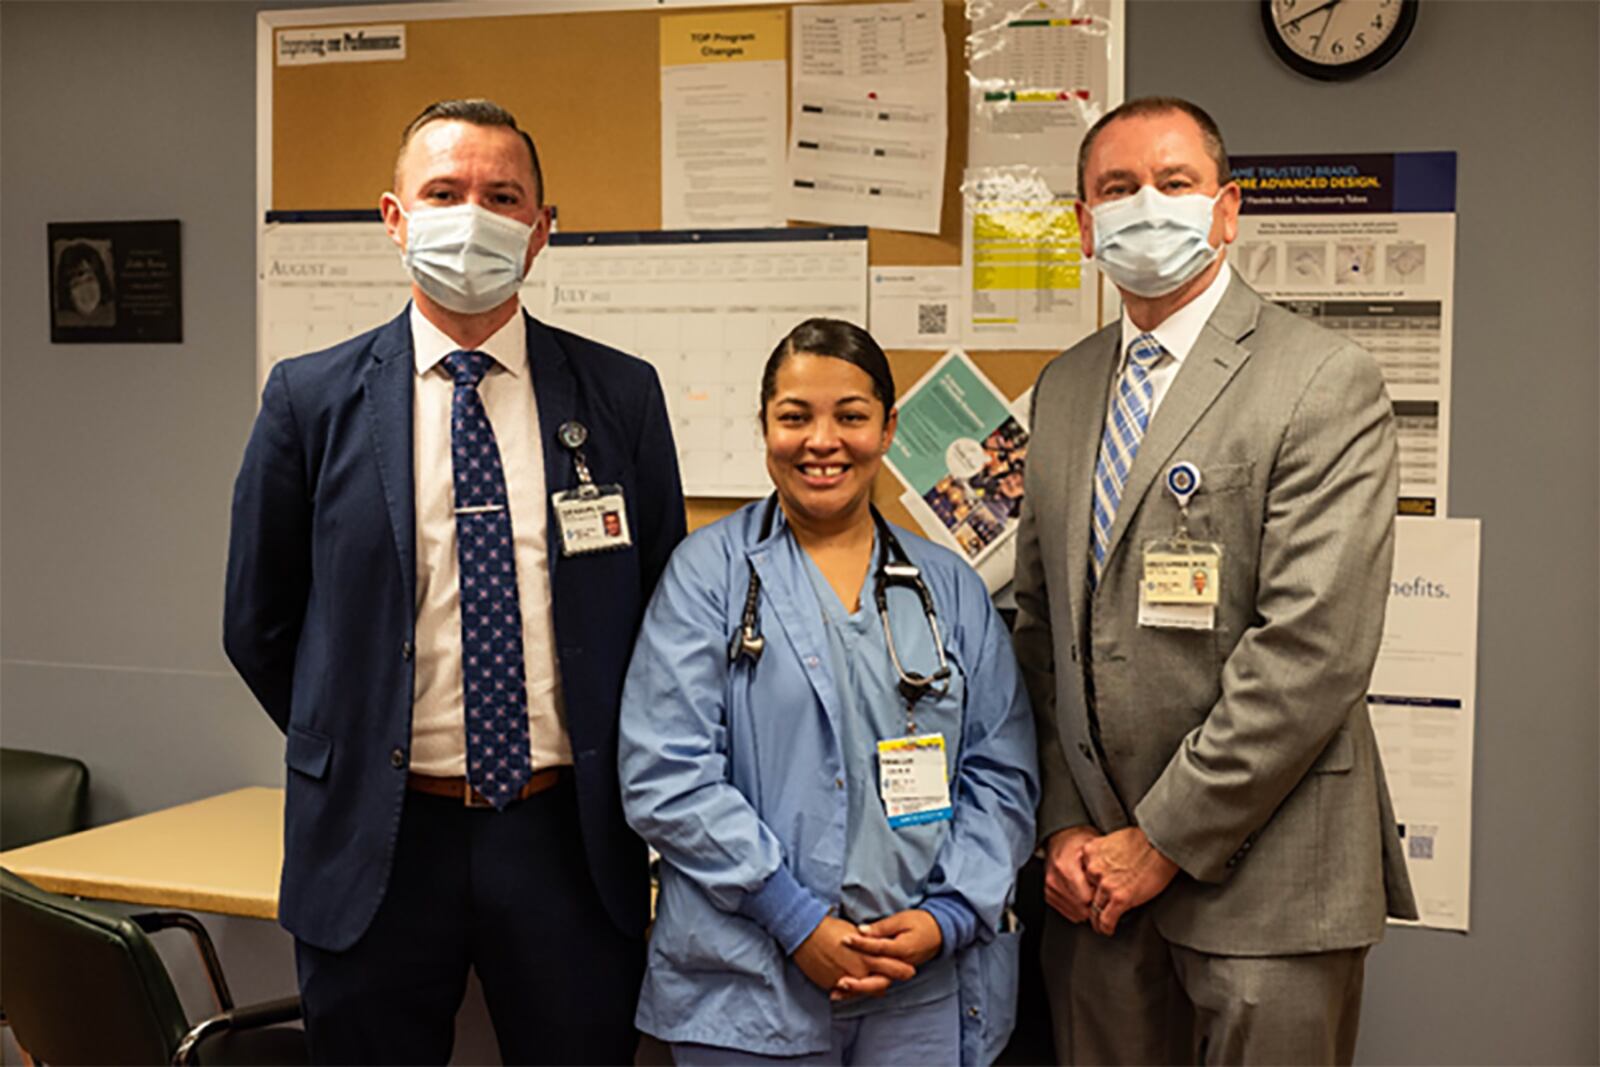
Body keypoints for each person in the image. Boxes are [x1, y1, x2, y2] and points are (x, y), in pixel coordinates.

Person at [224, 98, 685, 1064]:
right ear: (394, 218)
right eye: (444, 192)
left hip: (567, 839)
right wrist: (359, 737)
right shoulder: (309, 399)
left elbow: (658, 613)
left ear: (541, 229)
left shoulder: (620, 395)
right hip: (377, 841)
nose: (471, 216)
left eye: (502, 195)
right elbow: (258, 623)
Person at [1013, 96, 1418, 1065]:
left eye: (1173, 183)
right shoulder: (1063, 389)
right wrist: (1062, 820)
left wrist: (1159, 838)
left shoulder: (1322, 378)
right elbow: (1041, 630)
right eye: (1117, 189)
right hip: (1097, 887)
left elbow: (1311, 649)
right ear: (1081, 225)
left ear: (1226, 209)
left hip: (1267, 878)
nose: (1145, 206)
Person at [619, 318, 1038, 1066]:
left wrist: (945, 915)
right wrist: (792, 916)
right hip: (746, 984)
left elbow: (1001, 774)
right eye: (794, 416)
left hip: (917, 982)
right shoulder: (706, 576)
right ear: (764, 427)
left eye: (850, 415)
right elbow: (665, 771)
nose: (822, 440)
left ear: (887, 428)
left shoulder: (951, 591)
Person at [54, 241, 115, 327]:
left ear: (101, 282)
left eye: (89, 279)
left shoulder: (114, 315)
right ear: (68, 293)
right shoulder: (59, 322)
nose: (85, 289)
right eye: (76, 284)